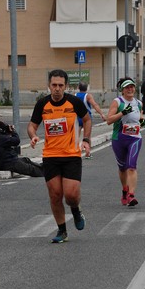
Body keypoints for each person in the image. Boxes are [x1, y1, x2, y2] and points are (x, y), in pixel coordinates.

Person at [27, 69, 91, 243]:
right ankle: (62, 230)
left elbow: (86, 119)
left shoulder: (74, 102)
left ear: (66, 86)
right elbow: (32, 125)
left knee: (70, 195)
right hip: (51, 156)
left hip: (71, 155)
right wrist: (32, 136)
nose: (57, 89)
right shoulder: (42, 104)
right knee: (55, 194)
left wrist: (85, 139)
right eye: (54, 85)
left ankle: (76, 210)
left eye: (60, 85)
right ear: (49, 85)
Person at [106, 77, 144, 207]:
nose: (130, 89)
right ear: (122, 90)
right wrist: (122, 112)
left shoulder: (139, 103)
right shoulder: (118, 102)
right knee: (122, 168)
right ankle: (125, 190)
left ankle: (131, 195)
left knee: (131, 166)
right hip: (119, 139)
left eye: (132, 87)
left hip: (135, 138)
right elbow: (109, 120)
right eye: (127, 87)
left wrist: (143, 122)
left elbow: (140, 118)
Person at [75, 82, 106, 158]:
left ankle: (75, 152)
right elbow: (94, 105)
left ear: (79, 87)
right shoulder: (88, 96)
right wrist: (101, 114)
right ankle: (88, 153)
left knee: (76, 136)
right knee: (87, 136)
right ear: (87, 88)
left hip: (78, 117)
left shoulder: (75, 96)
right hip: (87, 118)